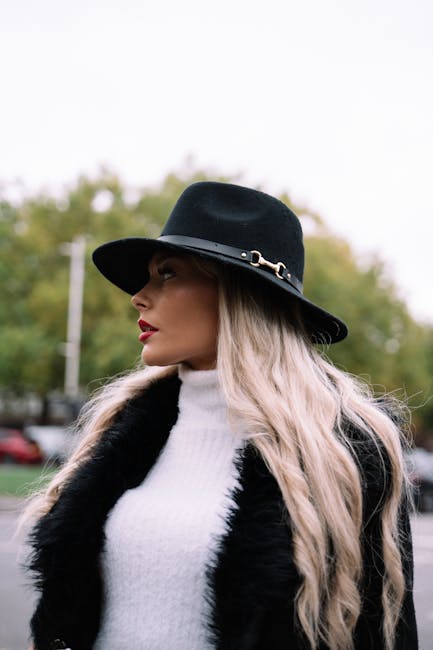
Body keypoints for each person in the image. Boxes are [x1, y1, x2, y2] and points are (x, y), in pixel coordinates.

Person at [25, 181, 418, 650]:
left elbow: (383, 630)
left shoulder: (344, 449)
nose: (139, 296)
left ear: (238, 290)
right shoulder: (120, 427)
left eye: (167, 273)